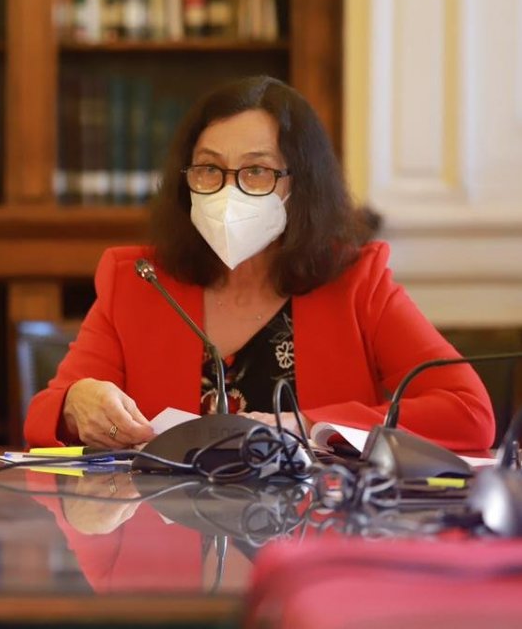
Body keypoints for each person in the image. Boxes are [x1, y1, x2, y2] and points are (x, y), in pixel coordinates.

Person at [24, 76, 495, 452]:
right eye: (209, 168)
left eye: (256, 171)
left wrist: (303, 425)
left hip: (319, 546)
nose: (229, 191)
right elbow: (47, 411)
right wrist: (75, 403)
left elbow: (468, 413)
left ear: (299, 184)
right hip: (166, 549)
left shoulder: (357, 283)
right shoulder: (139, 281)